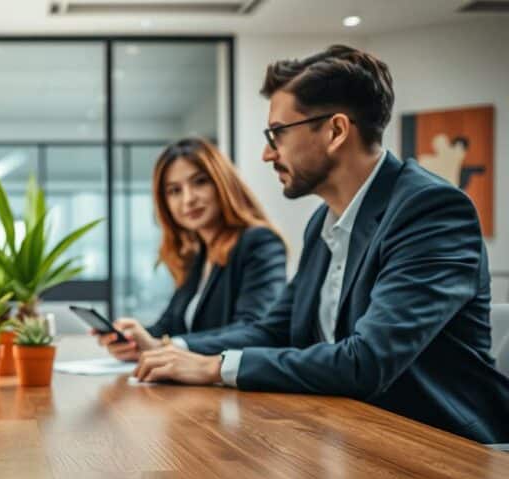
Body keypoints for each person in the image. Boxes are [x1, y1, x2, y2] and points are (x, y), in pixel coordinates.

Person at [129, 45, 509, 443]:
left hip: (438, 447)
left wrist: (215, 367)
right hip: (347, 434)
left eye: (277, 133)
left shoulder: (430, 211)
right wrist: (180, 353)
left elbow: (367, 362)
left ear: (336, 131)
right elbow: (272, 330)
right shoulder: (322, 223)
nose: (266, 153)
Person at [94, 137, 287, 362]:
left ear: (222, 183)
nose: (188, 199)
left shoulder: (259, 241)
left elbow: (254, 330)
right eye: (174, 191)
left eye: (200, 182)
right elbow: (169, 325)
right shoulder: (199, 254)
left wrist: (165, 346)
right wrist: (132, 338)